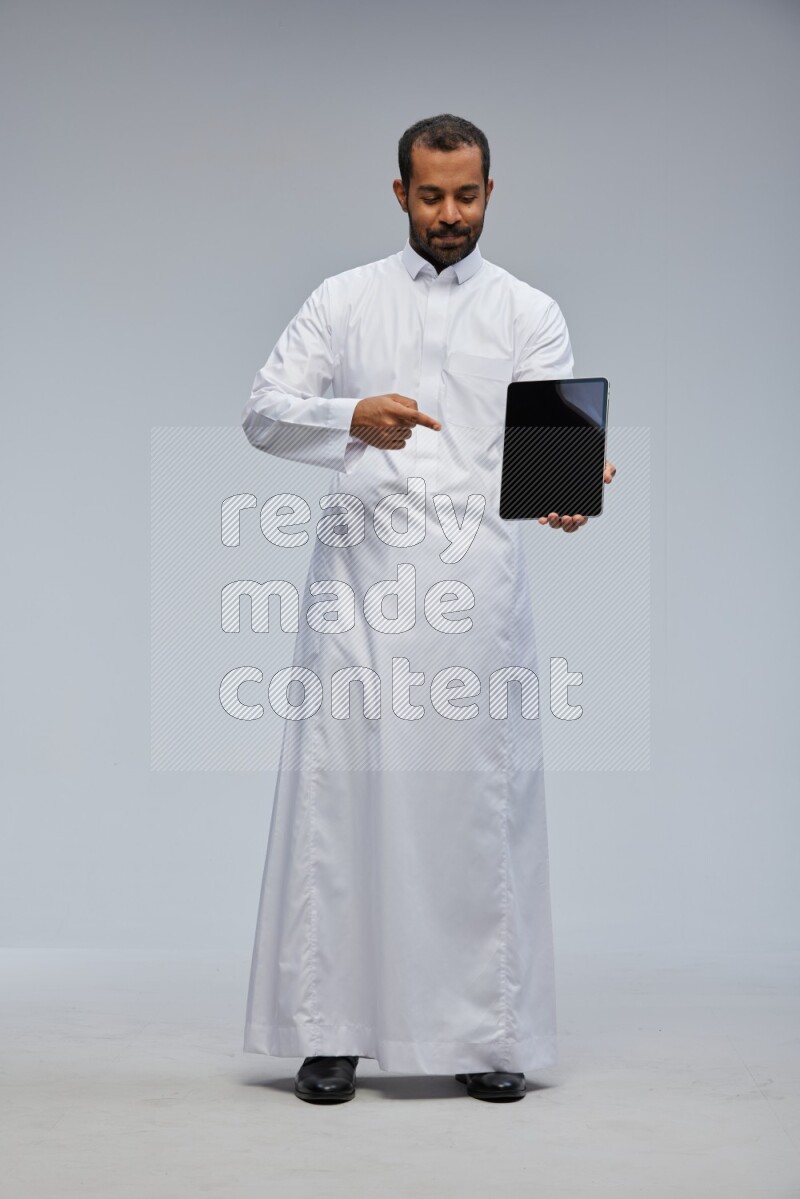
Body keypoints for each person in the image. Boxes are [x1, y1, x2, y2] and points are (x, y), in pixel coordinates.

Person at [241, 113, 616, 1105]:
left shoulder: (530, 313)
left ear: (490, 191)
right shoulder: (343, 300)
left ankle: (483, 1029)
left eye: (465, 195)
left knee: (474, 809)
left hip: (475, 587)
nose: (448, 215)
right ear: (398, 192)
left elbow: (543, 462)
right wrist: (348, 415)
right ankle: (329, 1031)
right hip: (361, 582)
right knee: (345, 798)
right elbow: (263, 409)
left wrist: (569, 489)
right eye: (429, 194)